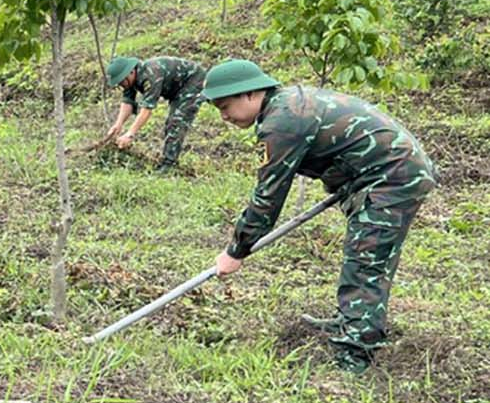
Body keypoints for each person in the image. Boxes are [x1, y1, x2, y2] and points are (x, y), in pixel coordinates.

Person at [201, 58, 437, 375]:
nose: (224, 116)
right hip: (380, 173)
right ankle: (352, 321)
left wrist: (237, 250)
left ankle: (356, 353)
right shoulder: (286, 106)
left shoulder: (282, 121)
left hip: (392, 176)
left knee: (366, 261)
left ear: (250, 94)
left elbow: (268, 197)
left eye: (225, 105)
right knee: (362, 257)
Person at [101, 54, 205, 171]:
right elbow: (127, 102)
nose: (121, 86)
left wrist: (130, 134)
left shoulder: (151, 75)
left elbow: (146, 110)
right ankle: (168, 161)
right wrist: (118, 124)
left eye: (121, 82)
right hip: (176, 89)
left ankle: (169, 165)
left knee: (176, 122)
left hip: (192, 81)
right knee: (173, 121)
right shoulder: (130, 79)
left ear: (131, 72)